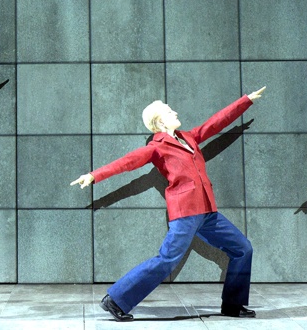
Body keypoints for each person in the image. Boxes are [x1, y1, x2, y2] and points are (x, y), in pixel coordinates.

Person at [72, 85, 267, 321]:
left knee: (242, 248)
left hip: (208, 212)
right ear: (160, 122)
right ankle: (116, 299)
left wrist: (246, 100)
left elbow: (216, 123)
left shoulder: (189, 137)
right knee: (167, 260)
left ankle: (233, 305)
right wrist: (94, 175)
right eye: (168, 111)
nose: (174, 112)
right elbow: (126, 162)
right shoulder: (157, 147)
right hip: (185, 213)